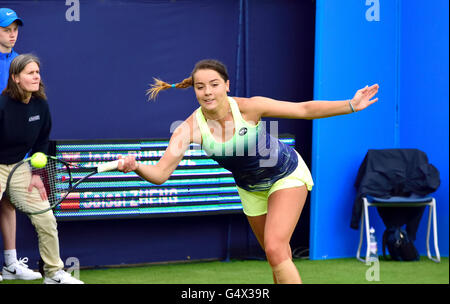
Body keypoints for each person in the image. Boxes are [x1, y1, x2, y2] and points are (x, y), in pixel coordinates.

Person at [118, 59, 379, 284]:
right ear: (194, 90)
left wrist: (351, 105)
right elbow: (161, 174)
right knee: (276, 255)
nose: (208, 92)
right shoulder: (188, 130)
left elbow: (303, 109)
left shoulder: (249, 107)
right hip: (251, 190)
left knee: (276, 248)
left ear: (227, 85)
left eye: (214, 84)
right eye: (200, 87)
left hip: (286, 174)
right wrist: (137, 166)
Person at [0, 54, 83, 284]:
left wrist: (37, 176)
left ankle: (54, 273)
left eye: (37, 72)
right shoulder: (2, 106)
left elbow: (41, 144)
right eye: (30, 72)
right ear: (15, 78)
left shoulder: (41, 106)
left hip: (20, 167)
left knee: (45, 217)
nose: (36, 76)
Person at [0, 7, 42, 282]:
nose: (12, 34)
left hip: (13, 151)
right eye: (6, 29)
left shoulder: (21, 64)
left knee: (8, 204)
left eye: (15, 29)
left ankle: (11, 264)